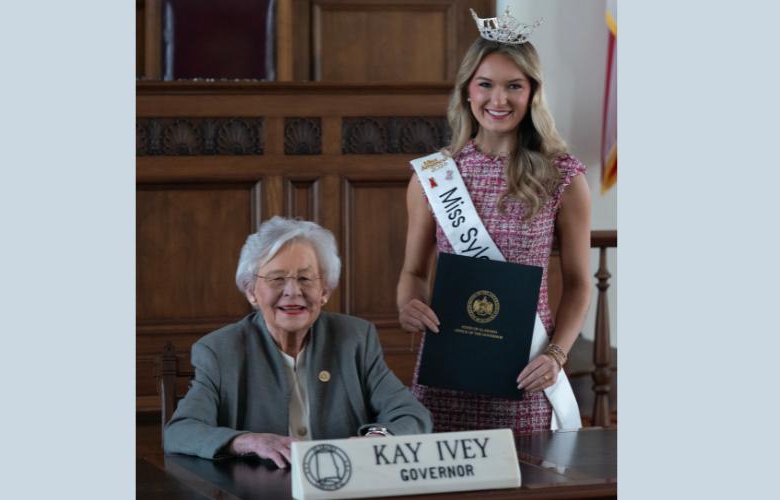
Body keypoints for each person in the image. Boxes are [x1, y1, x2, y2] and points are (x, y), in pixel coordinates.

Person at [397, 10, 591, 434]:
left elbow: (578, 283)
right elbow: (412, 272)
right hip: (448, 369)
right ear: (467, 90)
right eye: (485, 84)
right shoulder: (433, 175)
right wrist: (407, 304)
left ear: (533, 93)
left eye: (514, 86)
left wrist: (556, 355)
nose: (498, 100)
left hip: (526, 369)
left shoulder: (563, 177)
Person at [164, 216, 432, 466]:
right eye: (277, 279)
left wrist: (378, 439)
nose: (293, 291)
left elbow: (411, 415)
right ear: (251, 292)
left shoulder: (354, 339)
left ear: (324, 290)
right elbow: (180, 431)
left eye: (305, 278)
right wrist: (247, 441)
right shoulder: (220, 351)